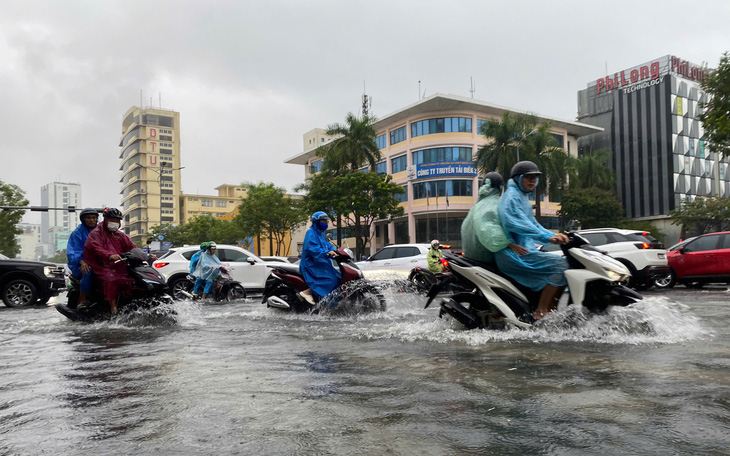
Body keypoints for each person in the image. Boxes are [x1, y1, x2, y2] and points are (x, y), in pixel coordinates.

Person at [495, 161, 570, 320]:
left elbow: (534, 224)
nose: (532, 181)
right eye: (528, 177)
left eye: (535, 178)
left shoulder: (521, 197)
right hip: (514, 254)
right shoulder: (511, 197)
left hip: (525, 250)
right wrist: (547, 237)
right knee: (562, 265)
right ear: (518, 178)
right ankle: (541, 312)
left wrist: (553, 236)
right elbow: (516, 223)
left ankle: (550, 309)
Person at [461, 172, 527, 264]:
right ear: (500, 188)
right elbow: (488, 229)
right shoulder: (491, 205)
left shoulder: (476, 207)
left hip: (472, 261)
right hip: (486, 263)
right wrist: (510, 245)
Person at [82, 207, 137, 314]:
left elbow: (132, 246)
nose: (115, 223)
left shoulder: (120, 235)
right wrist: (110, 256)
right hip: (101, 265)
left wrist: (145, 255)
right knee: (110, 278)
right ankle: (113, 307)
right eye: (112, 220)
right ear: (106, 220)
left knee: (133, 277)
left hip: (119, 264)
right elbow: (97, 248)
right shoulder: (96, 233)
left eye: (117, 221)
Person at [298, 211, 339, 305]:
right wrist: (327, 253)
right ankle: (308, 292)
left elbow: (328, 246)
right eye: (323, 221)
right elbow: (312, 248)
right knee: (332, 280)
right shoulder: (311, 233)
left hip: (321, 265)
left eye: (326, 221)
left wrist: (337, 251)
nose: (326, 223)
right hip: (311, 265)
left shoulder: (322, 235)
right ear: (316, 222)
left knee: (339, 277)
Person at [66, 208, 99, 306]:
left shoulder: (100, 231)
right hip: (81, 263)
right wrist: (82, 262)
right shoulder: (77, 233)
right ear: (83, 219)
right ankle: (82, 299)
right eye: (88, 218)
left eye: (94, 218)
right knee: (87, 272)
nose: (92, 220)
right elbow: (74, 251)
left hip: (99, 261)